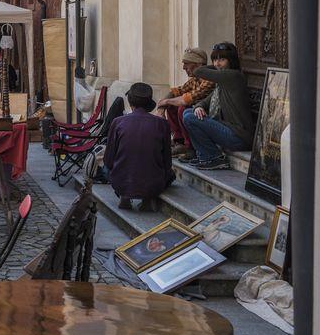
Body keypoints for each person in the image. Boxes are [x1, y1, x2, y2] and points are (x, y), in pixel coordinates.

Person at [181, 42, 254, 170]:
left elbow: (199, 70)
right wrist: (199, 107)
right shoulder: (222, 83)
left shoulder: (233, 76)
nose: (217, 63)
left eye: (222, 59)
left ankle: (212, 156)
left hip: (239, 137)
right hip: (228, 131)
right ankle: (207, 155)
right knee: (188, 113)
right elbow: (205, 102)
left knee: (190, 117)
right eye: (214, 59)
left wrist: (214, 66)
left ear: (231, 60)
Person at [103, 83, 174, 211]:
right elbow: (167, 162)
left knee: (106, 169)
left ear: (130, 102)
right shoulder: (162, 124)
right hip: (153, 183)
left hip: (120, 182)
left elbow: (108, 160)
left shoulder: (118, 122)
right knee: (170, 175)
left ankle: (125, 195)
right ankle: (147, 198)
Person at [156, 48, 215, 155]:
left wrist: (166, 101)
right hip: (197, 112)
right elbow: (175, 92)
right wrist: (161, 110)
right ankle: (180, 142)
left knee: (183, 109)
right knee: (173, 106)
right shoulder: (194, 80)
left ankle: (190, 147)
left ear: (198, 64)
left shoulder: (209, 79)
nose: (184, 67)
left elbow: (186, 100)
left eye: (187, 64)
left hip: (208, 115)